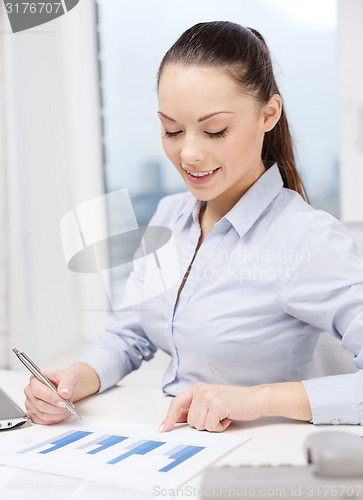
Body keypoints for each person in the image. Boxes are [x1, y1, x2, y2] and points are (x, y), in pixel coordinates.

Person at [24, 21, 363, 432]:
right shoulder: (170, 215)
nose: (188, 153)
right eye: (172, 129)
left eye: (214, 130)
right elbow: (129, 334)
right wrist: (75, 379)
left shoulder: (304, 238)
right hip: (173, 445)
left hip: (252, 461)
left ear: (268, 115)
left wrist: (257, 399)